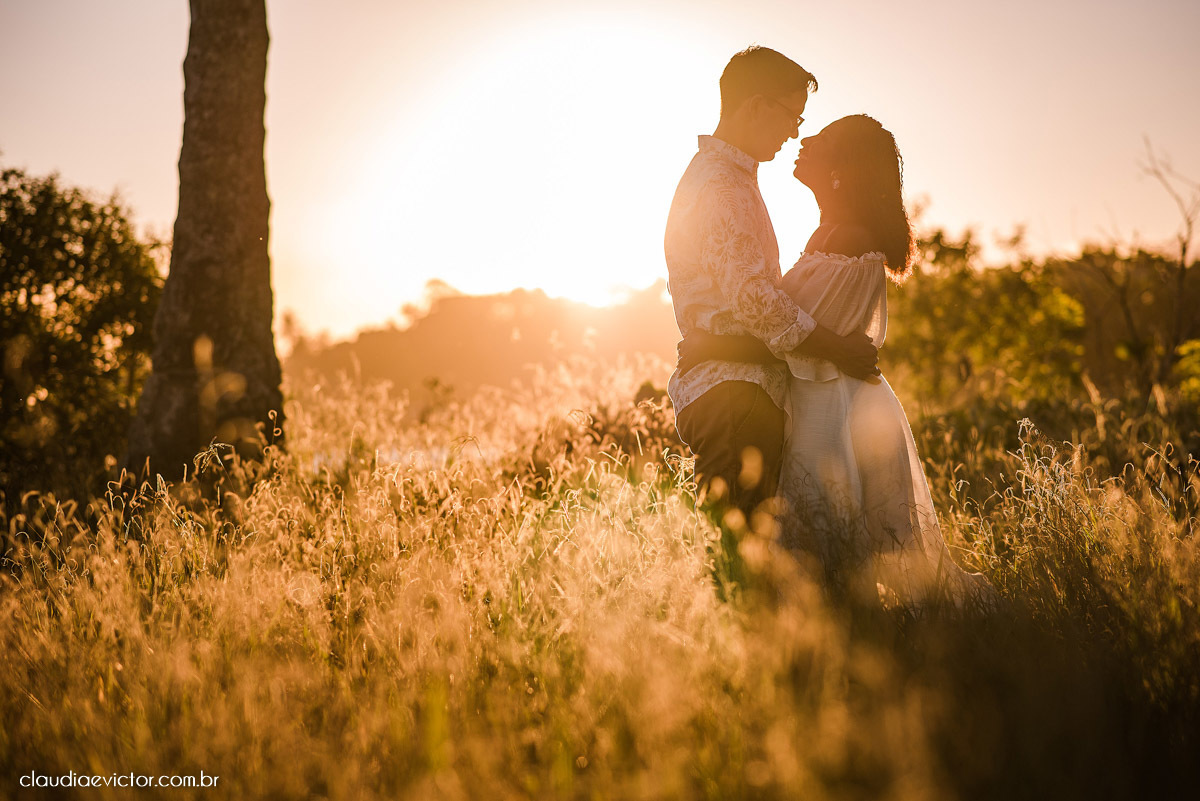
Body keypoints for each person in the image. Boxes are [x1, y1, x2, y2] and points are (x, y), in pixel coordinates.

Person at [679, 115, 990, 605]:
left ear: (842, 169)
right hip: (817, 397)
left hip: (831, 410)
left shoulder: (850, 239)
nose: (804, 140)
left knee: (822, 537)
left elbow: (791, 336)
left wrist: (709, 346)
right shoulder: (830, 233)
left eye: (820, 139)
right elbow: (795, 329)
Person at [664, 47, 880, 529]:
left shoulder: (729, 178)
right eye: (791, 115)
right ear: (756, 105)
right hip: (733, 390)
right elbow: (755, 300)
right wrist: (840, 349)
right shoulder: (723, 186)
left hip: (737, 388)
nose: (794, 132)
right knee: (743, 560)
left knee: (752, 553)